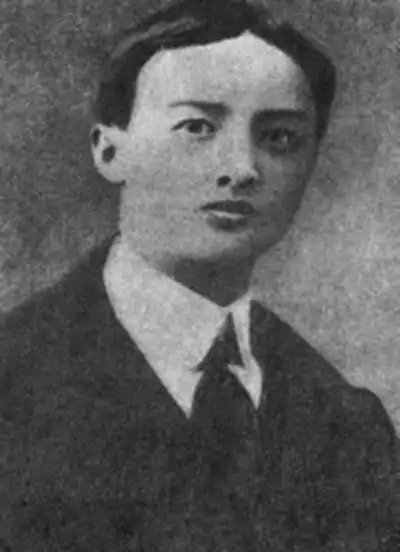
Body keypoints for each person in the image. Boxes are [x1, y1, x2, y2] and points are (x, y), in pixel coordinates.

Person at [1, 0, 399, 550]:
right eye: (197, 126)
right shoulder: (14, 380)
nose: (242, 168)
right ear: (110, 150)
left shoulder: (350, 425)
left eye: (280, 137)